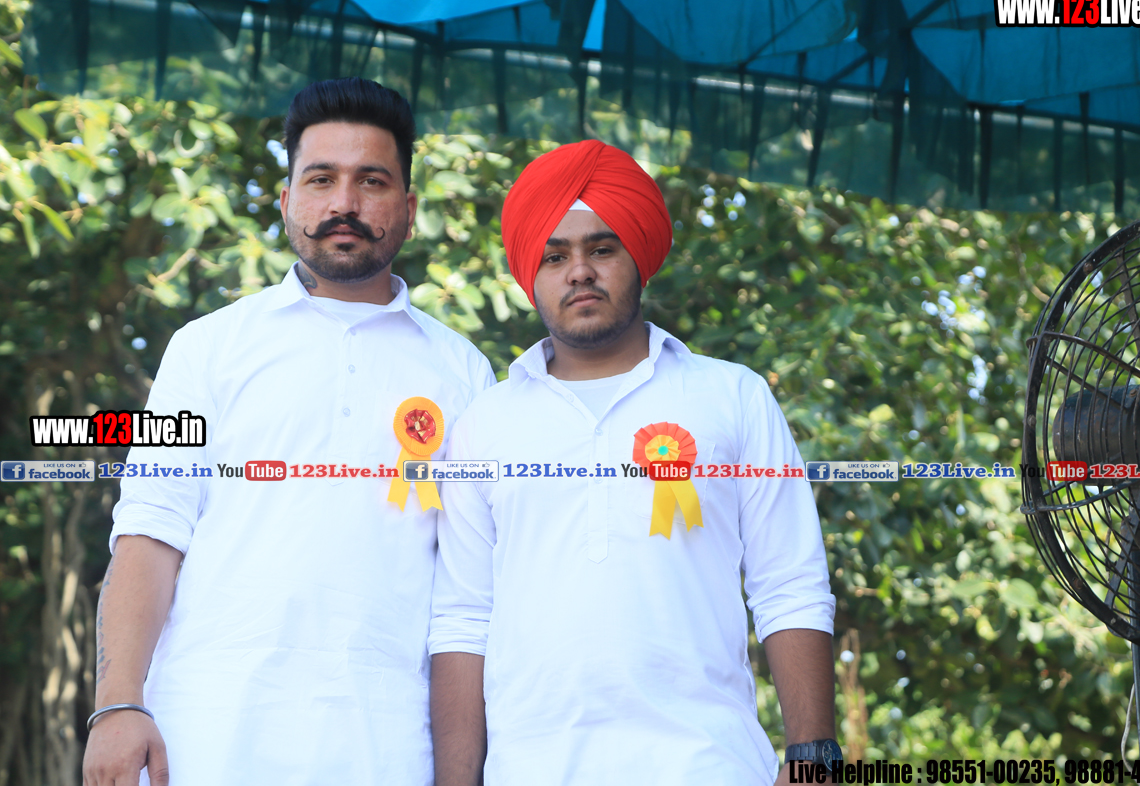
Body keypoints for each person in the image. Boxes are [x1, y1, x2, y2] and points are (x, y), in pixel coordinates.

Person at [81, 78, 495, 786]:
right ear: (286, 201)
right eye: (321, 179)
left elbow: (465, 602)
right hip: (204, 739)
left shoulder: (464, 373)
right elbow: (151, 531)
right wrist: (118, 704)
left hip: (387, 749)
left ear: (409, 208)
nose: (344, 203)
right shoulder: (206, 348)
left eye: (371, 181)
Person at [428, 139, 837, 786]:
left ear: (638, 257)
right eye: (555, 256)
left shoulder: (733, 396)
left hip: (709, 767)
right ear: (530, 274)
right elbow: (463, 619)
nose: (579, 272)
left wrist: (815, 757)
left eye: (601, 249)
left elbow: (789, 583)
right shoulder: (485, 423)